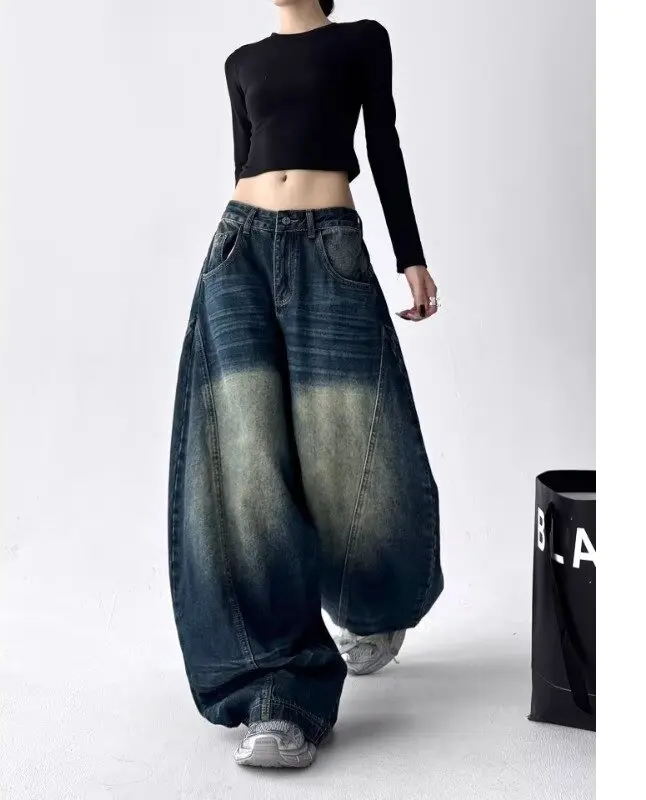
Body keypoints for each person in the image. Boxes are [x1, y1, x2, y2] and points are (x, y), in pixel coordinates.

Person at [167, 0, 444, 768]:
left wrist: (411, 256)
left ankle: (373, 604)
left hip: (330, 245)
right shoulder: (242, 62)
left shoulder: (361, 41)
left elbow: (382, 144)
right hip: (238, 250)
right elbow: (244, 166)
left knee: (352, 446)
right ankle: (278, 695)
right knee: (245, 468)